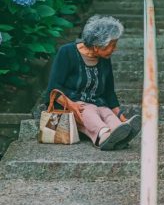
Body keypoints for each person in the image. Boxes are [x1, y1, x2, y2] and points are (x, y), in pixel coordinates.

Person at [45, 15, 141, 150]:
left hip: (97, 103)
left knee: (106, 112)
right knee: (89, 111)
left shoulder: (104, 58)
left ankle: (120, 131)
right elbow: (53, 88)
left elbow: (108, 92)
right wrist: (71, 105)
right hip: (71, 104)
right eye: (112, 45)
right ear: (97, 46)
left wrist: (120, 115)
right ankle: (104, 135)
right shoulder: (67, 52)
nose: (115, 49)